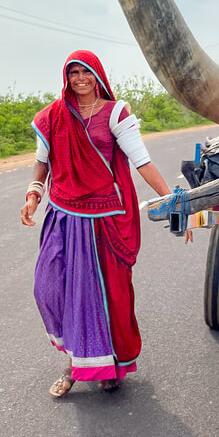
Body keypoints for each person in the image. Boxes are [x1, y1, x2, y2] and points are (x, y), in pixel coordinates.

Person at [21, 50, 175, 398]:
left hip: (104, 220)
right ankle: (79, 360)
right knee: (50, 288)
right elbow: (41, 163)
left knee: (102, 298)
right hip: (64, 215)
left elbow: (142, 161)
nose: (80, 79)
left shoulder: (115, 113)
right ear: (66, 77)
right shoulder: (52, 117)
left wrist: (170, 197)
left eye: (85, 72)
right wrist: (33, 194)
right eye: (73, 72)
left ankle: (99, 368)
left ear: (97, 75)